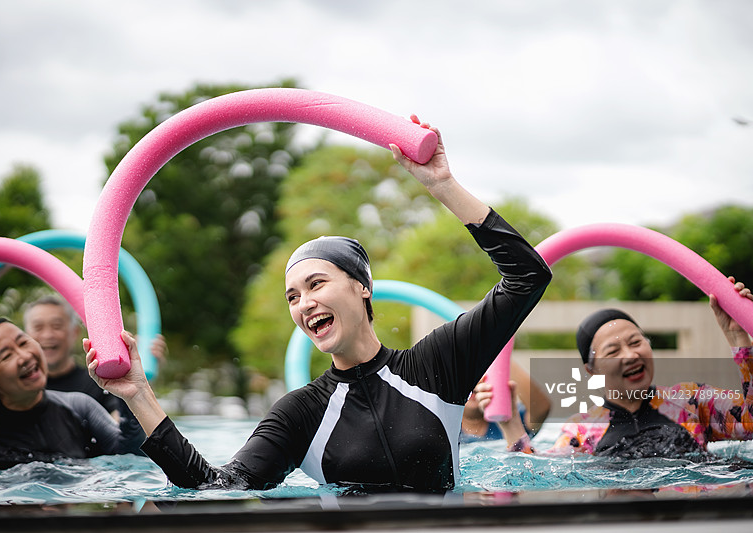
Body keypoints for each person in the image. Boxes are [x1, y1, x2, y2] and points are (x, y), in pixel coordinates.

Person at [84, 116, 553, 492]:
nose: (304, 303)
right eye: (293, 296)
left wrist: (442, 185)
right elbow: (215, 489)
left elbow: (528, 275)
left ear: (362, 286)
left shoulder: (436, 365)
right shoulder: (299, 413)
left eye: (316, 284)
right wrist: (139, 395)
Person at [490, 279, 753, 458]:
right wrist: (511, 424)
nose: (630, 355)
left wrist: (739, 340)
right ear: (591, 370)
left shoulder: (692, 401)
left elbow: (750, 424)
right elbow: (535, 479)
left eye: (636, 342)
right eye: (613, 351)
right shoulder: (581, 431)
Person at [0, 270, 168, 421]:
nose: (47, 335)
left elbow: (125, 436)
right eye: (38, 327)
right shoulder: (4, 389)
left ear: (75, 332)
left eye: (57, 326)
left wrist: (143, 380)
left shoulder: (100, 381)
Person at [0, 318, 145, 468]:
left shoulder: (79, 407)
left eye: (23, 342)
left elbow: (130, 457)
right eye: (6, 355)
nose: (25, 356)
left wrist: (127, 398)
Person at [461, 360, 551, 442]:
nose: (477, 381)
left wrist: (500, 352)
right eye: (468, 376)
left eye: (482, 374)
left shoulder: (511, 415)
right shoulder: (447, 427)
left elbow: (542, 409)